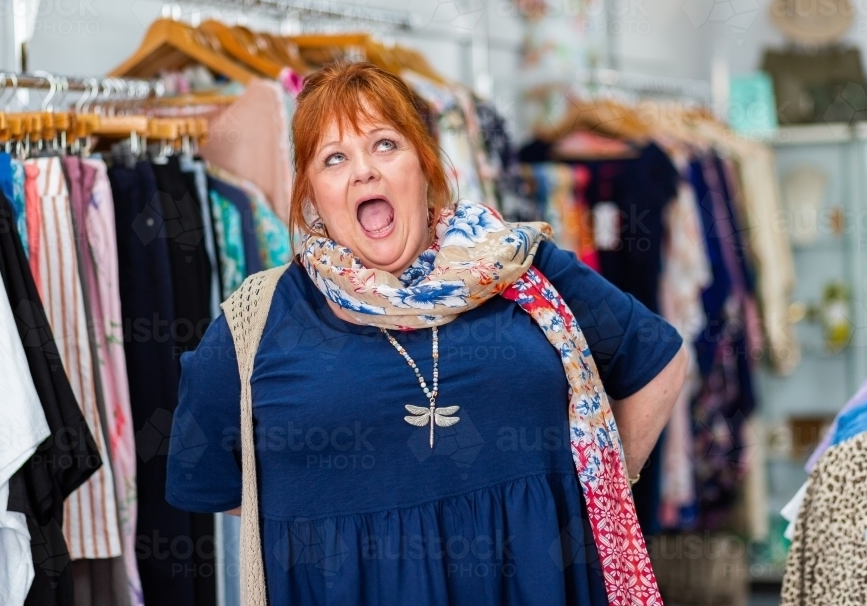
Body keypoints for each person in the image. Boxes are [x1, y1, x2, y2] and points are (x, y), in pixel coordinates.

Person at [166, 61, 687, 605]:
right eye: (334, 158)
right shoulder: (259, 318)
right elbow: (209, 478)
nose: (364, 171)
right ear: (311, 195)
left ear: (425, 164)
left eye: (385, 145)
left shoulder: (516, 267)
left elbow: (657, 358)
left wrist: (597, 490)